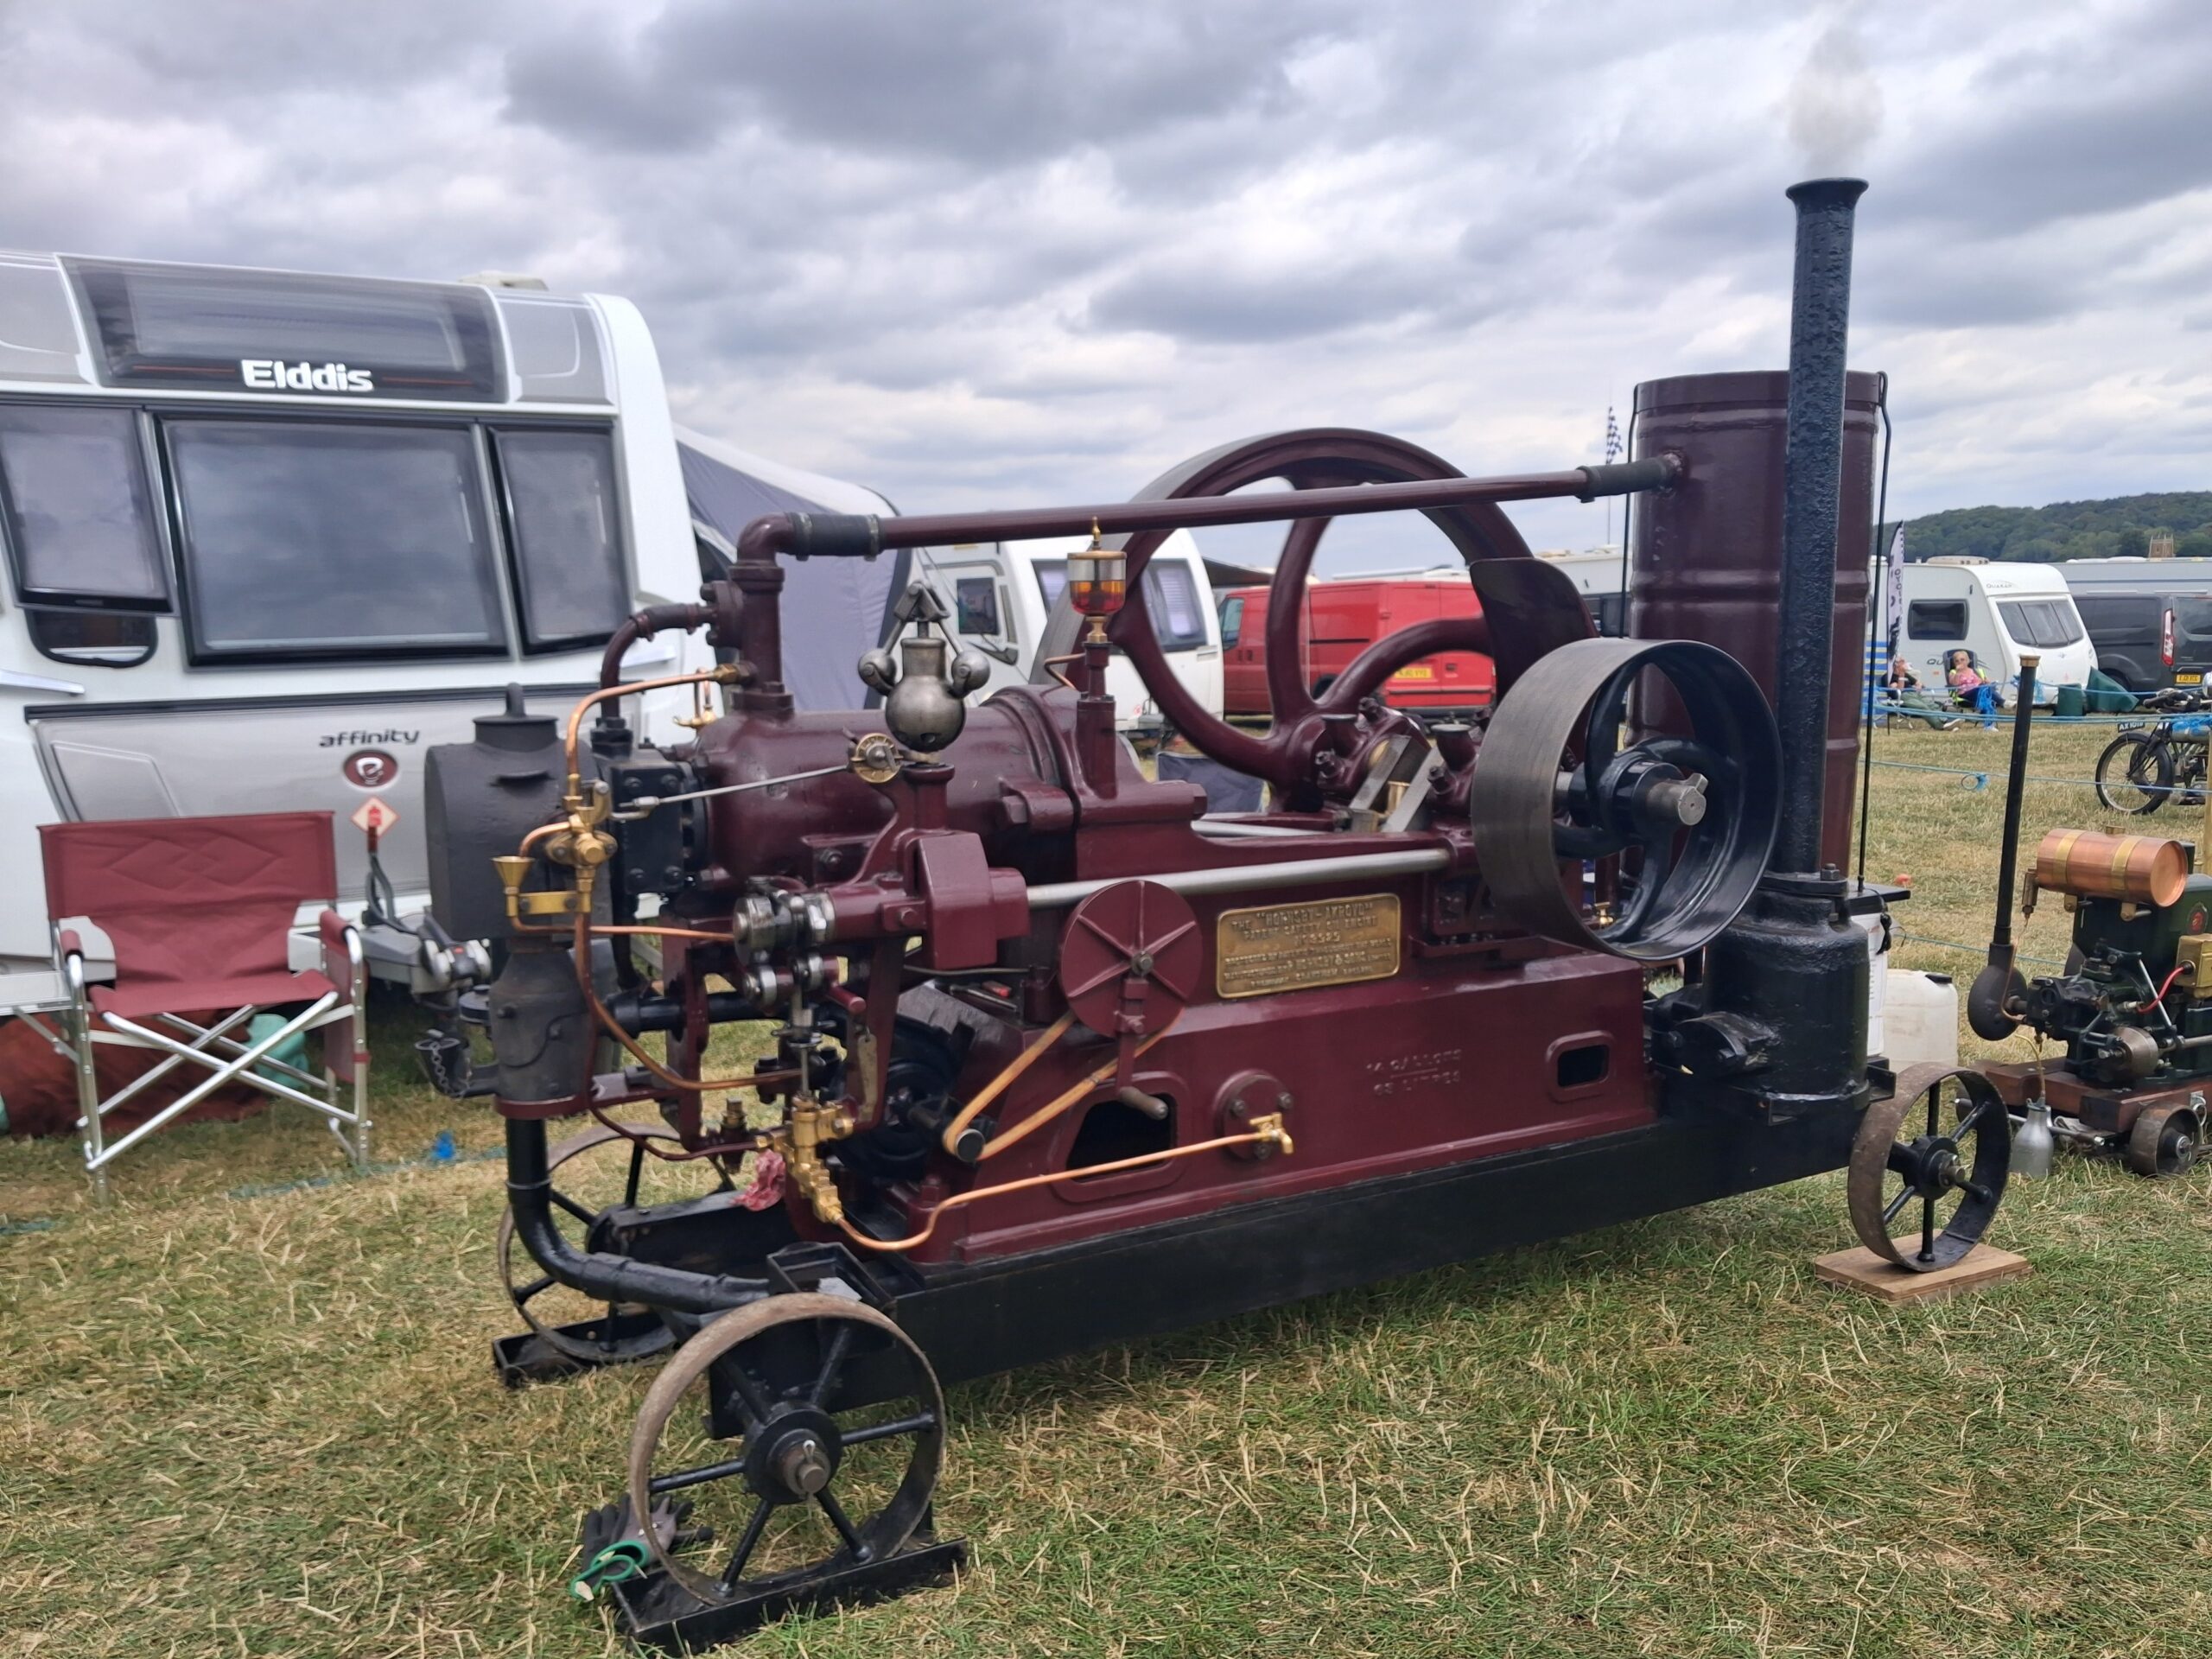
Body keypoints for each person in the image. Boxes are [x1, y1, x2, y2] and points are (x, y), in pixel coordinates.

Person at [1946, 649, 1999, 729]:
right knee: (1983, 693)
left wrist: (1990, 683)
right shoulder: (1953, 672)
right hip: (1964, 695)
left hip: (1980, 693)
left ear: (1968, 661)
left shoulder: (1977, 671)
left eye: (1962, 660)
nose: (1960, 662)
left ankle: (1988, 726)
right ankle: (2004, 703)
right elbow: (1954, 684)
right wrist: (1958, 672)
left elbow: (1987, 682)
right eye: (1957, 661)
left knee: (1986, 699)